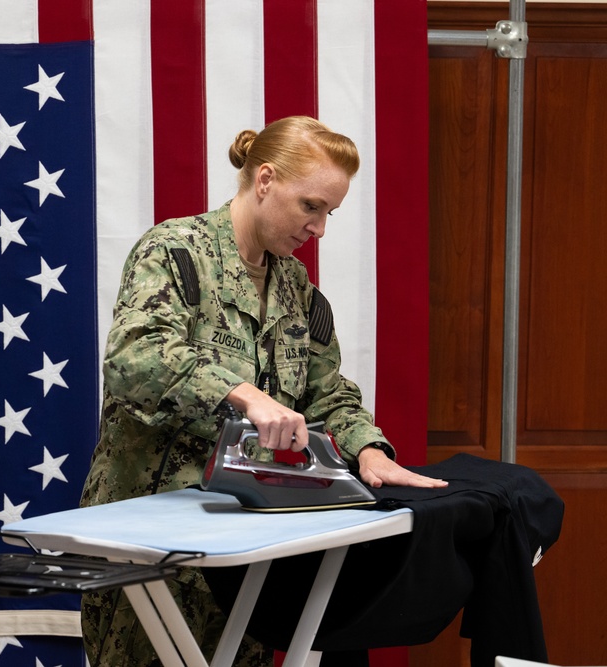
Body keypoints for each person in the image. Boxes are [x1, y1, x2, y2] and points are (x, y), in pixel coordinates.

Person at [78, 116, 449, 667]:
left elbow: (326, 393)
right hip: (151, 541)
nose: (320, 229)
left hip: (250, 541)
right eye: (311, 206)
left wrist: (369, 449)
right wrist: (244, 394)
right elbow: (134, 359)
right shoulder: (176, 253)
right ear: (266, 179)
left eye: (330, 213)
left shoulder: (297, 287)